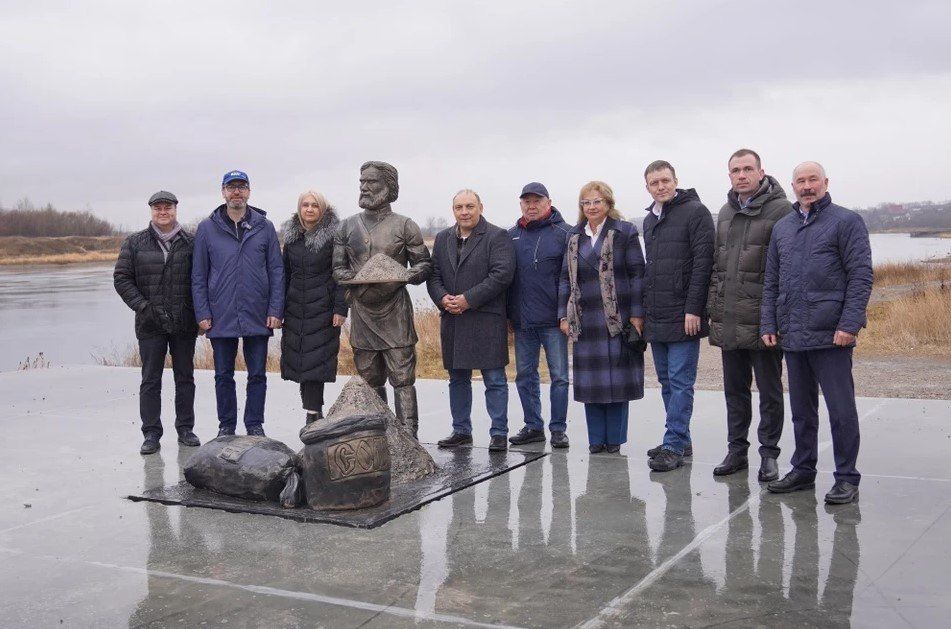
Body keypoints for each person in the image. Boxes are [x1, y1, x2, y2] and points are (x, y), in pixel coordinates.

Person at [762, 161, 872, 505]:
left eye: (813, 180)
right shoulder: (782, 228)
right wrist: (768, 323)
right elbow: (772, 282)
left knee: (840, 410)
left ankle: (846, 478)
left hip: (831, 335)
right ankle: (803, 470)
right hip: (793, 335)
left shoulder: (847, 222)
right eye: (800, 181)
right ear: (792, 186)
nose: (806, 186)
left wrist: (849, 325)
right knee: (802, 410)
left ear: (825, 182)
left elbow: (860, 276)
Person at [708, 149, 793, 482]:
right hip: (730, 319)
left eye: (747, 169)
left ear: (761, 172)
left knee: (770, 392)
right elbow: (718, 266)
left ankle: (769, 454)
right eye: (735, 170)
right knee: (735, 391)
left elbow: (784, 270)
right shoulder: (726, 212)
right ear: (729, 175)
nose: (741, 175)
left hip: (763, 322)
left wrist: (774, 319)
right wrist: (714, 309)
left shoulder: (781, 210)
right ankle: (737, 450)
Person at [332, 161, 432, 437]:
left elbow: (424, 264)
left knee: (402, 377)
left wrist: (407, 275)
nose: (364, 186)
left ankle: (409, 433)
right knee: (369, 378)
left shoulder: (405, 225)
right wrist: (354, 280)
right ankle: (379, 432)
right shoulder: (346, 226)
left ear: (389, 187)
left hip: (395, 312)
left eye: (372, 182)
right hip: (362, 311)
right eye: (362, 182)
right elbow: (338, 270)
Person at [192, 170, 284, 438]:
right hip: (221, 314)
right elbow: (199, 275)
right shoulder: (207, 229)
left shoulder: (264, 226)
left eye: (241, 187)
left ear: (249, 192)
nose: (236, 192)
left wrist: (275, 310)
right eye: (231, 187)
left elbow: (277, 271)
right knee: (223, 375)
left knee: (257, 375)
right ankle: (227, 426)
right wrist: (202, 312)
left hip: (257, 312)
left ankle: (254, 425)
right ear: (223, 192)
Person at [558, 181, 646, 454]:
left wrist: (637, 316)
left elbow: (637, 275)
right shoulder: (574, 236)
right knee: (591, 385)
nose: (591, 207)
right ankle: (596, 440)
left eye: (597, 201)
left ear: (608, 203)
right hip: (585, 320)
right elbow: (564, 279)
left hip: (617, 320)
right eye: (586, 202)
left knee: (617, 385)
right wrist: (563, 315)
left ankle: (614, 442)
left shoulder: (625, 232)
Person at [641, 160, 715, 472]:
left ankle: (673, 444)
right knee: (666, 381)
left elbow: (703, 263)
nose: (661, 186)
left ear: (675, 181)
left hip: (684, 314)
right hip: (656, 314)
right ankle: (680, 439)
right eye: (654, 182)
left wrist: (694, 308)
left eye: (665, 180)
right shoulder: (649, 220)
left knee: (682, 381)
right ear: (647, 187)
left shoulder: (695, 212)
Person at [428, 189, 516, 451]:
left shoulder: (497, 236)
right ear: (453, 210)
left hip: (485, 318)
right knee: (457, 379)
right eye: (459, 207)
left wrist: (468, 299)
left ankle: (499, 432)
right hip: (453, 319)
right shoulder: (443, 238)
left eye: (469, 206)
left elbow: (502, 275)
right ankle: (461, 431)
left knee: (495, 380)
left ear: (481, 207)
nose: (464, 212)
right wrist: (443, 298)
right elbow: (433, 275)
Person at [114, 191, 199, 454]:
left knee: (185, 377)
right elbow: (122, 278)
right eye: (158, 208)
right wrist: (142, 306)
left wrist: (199, 313)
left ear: (176, 209)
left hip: (183, 321)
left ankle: (185, 428)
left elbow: (201, 280)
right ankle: (151, 433)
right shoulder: (135, 243)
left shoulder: (191, 243)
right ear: (151, 211)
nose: (163, 212)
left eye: (168, 207)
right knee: (151, 379)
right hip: (150, 324)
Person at [507, 182, 572, 449]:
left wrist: (566, 315)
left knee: (559, 376)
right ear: (521, 204)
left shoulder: (565, 233)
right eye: (527, 201)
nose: (531, 206)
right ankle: (533, 426)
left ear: (548, 202)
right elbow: (505, 279)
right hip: (523, 321)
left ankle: (558, 429)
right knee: (524, 375)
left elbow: (571, 278)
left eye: (537, 201)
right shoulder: (510, 236)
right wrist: (507, 316)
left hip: (554, 321)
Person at [280, 190, 347, 426]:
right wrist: (279, 310)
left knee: (316, 362)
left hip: (323, 309)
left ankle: (313, 414)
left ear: (323, 209)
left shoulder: (335, 236)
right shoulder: (292, 238)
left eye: (314, 206)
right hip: (296, 308)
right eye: (305, 205)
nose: (309, 209)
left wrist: (340, 308)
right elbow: (285, 274)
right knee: (300, 362)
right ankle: (310, 410)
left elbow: (341, 275)